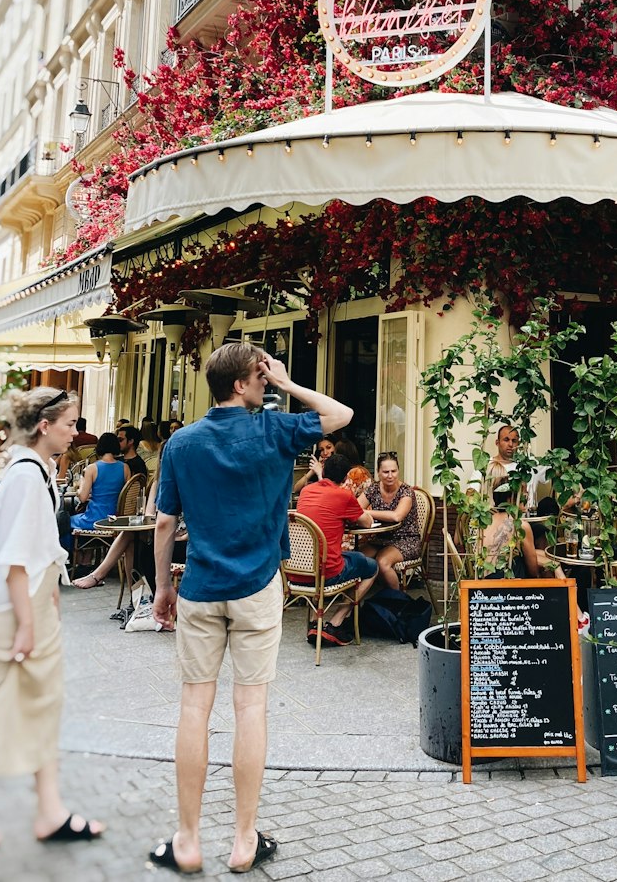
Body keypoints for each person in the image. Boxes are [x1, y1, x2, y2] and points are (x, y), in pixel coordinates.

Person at [149, 342, 351, 875]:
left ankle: (187, 841)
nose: (267, 383)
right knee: (250, 708)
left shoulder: (182, 442)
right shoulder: (275, 430)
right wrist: (288, 384)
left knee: (194, 708)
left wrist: (161, 589)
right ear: (241, 384)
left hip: (199, 586)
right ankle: (243, 838)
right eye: (260, 376)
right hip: (257, 586)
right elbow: (340, 415)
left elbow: (165, 521)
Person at [0, 387, 104, 845]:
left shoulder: (34, 470)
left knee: (37, 708)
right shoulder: (27, 476)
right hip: (13, 612)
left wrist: (47, 601)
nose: (76, 432)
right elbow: (13, 559)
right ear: (45, 426)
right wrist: (29, 623)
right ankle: (48, 812)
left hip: (24, 606)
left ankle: (50, 810)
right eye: (70, 423)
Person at [294, 453, 379, 644]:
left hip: (297, 571)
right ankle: (336, 622)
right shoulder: (343, 495)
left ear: (323, 471)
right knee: (371, 567)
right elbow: (366, 523)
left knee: (333, 556)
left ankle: (316, 622)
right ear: (345, 477)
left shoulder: (307, 492)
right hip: (327, 573)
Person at [358, 452, 421, 591]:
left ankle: (396, 602)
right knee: (357, 560)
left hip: (406, 540)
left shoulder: (406, 491)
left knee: (382, 562)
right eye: (386, 472)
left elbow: (397, 516)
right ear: (378, 473)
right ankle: (355, 607)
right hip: (380, 539)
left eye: (394, 471)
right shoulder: (373, 489)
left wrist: (367, 512)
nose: (390, 475)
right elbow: (355, 508)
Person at [477, 472, 539, 577]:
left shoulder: (485, 522)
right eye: (524, 496)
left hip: (481, 585)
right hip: (507, 587)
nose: (527, 500)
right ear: (510, 499)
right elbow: (533, 569)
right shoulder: (520, 525)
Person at [68, 432, 128, 539]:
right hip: (116, 520)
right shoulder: (125, 468)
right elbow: (126, 496)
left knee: (66, 521)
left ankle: (75, 553)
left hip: (94, 518)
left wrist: (80, 485)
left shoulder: (92, 468)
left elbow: (82, 498)